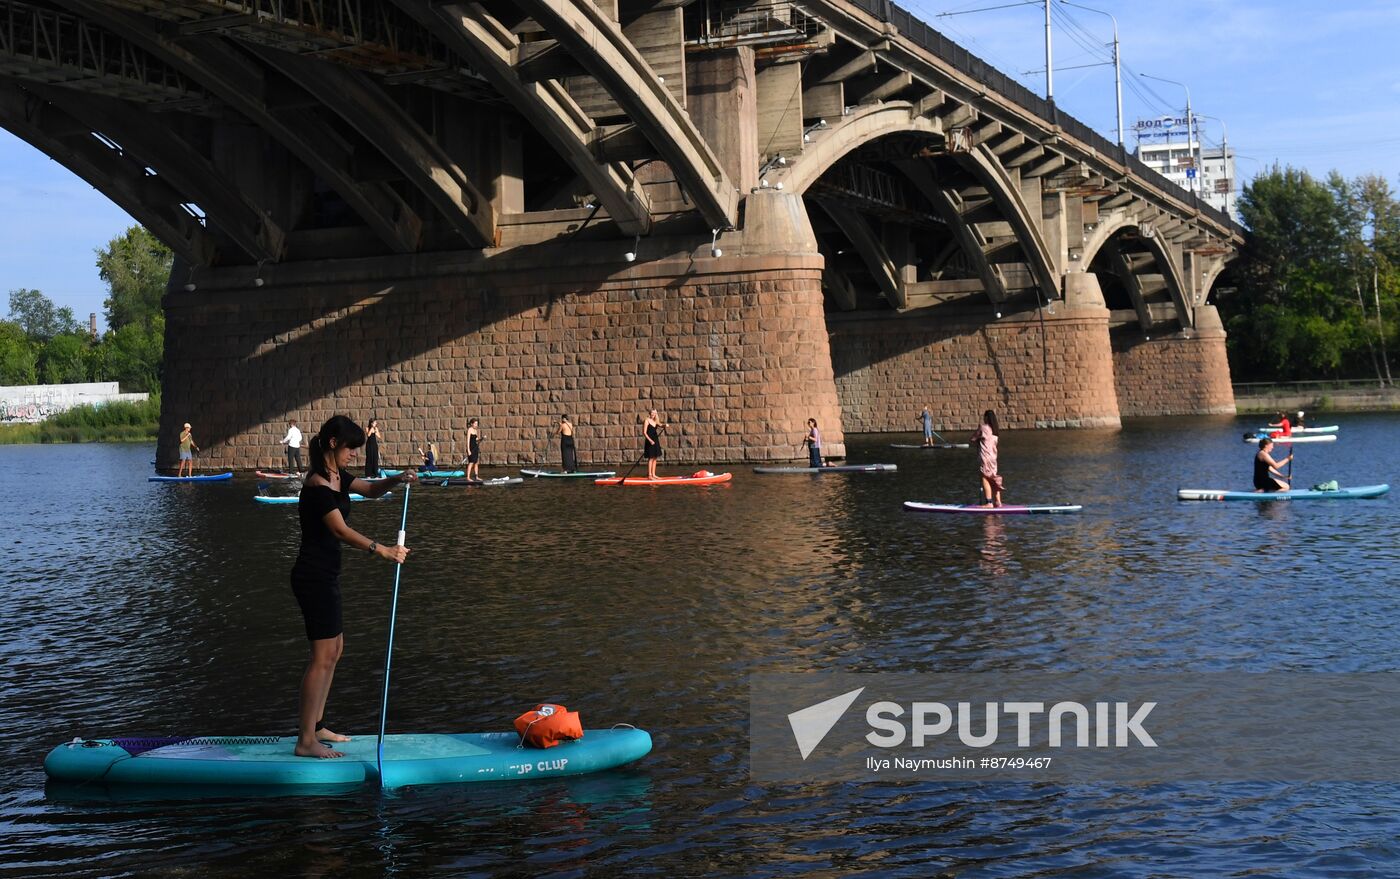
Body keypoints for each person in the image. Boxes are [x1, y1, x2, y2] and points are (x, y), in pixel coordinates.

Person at [290, 415, 414, 758]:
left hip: (326, 575)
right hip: (311, 577)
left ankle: (316, 727)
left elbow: (372, 491)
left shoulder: (337, 477)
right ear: (333, 443)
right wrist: (383, 550)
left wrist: (396, 480)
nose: (354, 455)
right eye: (350, 449)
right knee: (321, 656)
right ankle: (305, 741)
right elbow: (341, 530)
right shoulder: (316, 485)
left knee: (336, 649)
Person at [973, 409, 1003, 508]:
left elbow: (972, 439)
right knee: (992, 478)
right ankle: (998, 502)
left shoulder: (983, 428)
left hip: (985, 457)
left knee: (985, 478)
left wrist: (977, 431)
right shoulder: (996, 430)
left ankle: (989, 503)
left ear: (986, 418)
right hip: (993, 458)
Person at [643, 409, 665, 479]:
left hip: (655, 440)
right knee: (651, 457)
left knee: (655, 457)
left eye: (655, 413)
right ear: (650, 413)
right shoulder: (647, 420)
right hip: (650, 441)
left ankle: (653, 474)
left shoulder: (656, 421)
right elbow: (644, 433)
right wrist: (650, 440)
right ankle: (649, 475)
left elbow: (661, 425)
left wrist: (665, 425)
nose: (653, 414)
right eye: (652, 413)